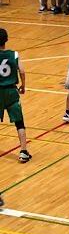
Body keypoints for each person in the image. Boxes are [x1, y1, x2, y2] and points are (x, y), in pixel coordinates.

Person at [0, 28, 32, 163]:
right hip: (11, 91)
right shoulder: (14, 54)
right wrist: (23, 85)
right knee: (19, 123)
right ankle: (23, 152)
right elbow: (22, 71)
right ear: (6, 40)